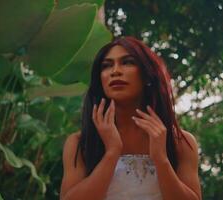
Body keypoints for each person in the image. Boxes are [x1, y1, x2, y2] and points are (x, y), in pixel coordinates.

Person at [60, 36, 202, 200]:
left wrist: (161, 159)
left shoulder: (181, 142)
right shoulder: (79, 143)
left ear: (147, 75)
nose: (115, 71)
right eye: (106, 66)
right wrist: (112, 153)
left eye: (127, 62)